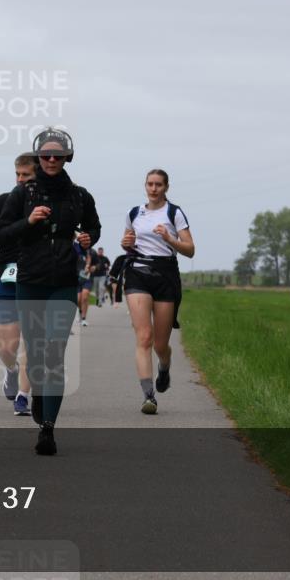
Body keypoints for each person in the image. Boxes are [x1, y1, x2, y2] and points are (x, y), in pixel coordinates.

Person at [0, 127, 100, 455]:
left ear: (68, 157)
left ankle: (48, 429)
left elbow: (93, 226)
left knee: (54, 352)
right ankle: (38, 394)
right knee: (37, 352)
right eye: (46, 155)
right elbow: (1, 235)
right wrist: (29, 221)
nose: (52, 159)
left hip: (64, 282)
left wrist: (87, 239)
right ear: (39, 157)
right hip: (30, 280)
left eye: (58, 155)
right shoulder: (23, 194)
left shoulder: (79, 195)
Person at [121, 169, 195, 415]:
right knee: (144, 337)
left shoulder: (174, 213)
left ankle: (164, 365)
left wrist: (169, 239)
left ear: (166, 187)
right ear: (145, 186)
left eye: (158, 185)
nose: (153, 188)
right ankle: (148, 396)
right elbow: (127, 240)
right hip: (138, 272)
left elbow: (190, 249)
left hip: (165, 275)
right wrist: (125, 244)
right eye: (150, 184)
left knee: (160, 344)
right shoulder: (135, 212)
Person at [0, 154, 36, 416]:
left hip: (36, 279)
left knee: (33, 343)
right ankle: (11, 371)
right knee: (7, 346)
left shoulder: (46, 204)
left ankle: (23, 397)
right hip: (4, 278)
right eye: (18, 175)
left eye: (27, 175)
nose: (21, 180)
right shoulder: (5, 200)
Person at [75, 241, 96, 326]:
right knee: (78, 299)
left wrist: (94, 267)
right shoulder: (75, 250)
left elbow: (97, 264)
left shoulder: (92, 252)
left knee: (85, 296)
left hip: (87, 278)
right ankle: (80, 312)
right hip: (77, 278)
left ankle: (84, 318)